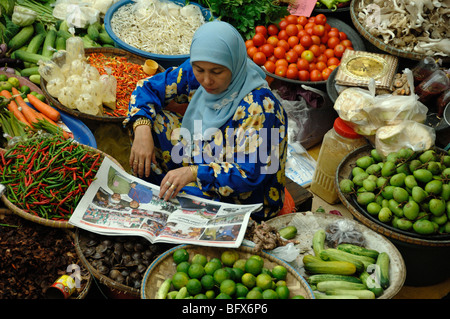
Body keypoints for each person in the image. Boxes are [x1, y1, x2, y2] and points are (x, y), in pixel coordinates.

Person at [124, 21, 288, 221]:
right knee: (151, 121)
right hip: (206, 153)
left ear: (234, 64)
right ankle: (159, 189)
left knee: (185, 204)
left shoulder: (259, 107)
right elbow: (147, 87)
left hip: (245, 193)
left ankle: (168, 195)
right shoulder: (198, 69)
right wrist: (142, 130)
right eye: (199, 69)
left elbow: (249, 175)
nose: (207, 80)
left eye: (217, 72)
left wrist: (194, 172)